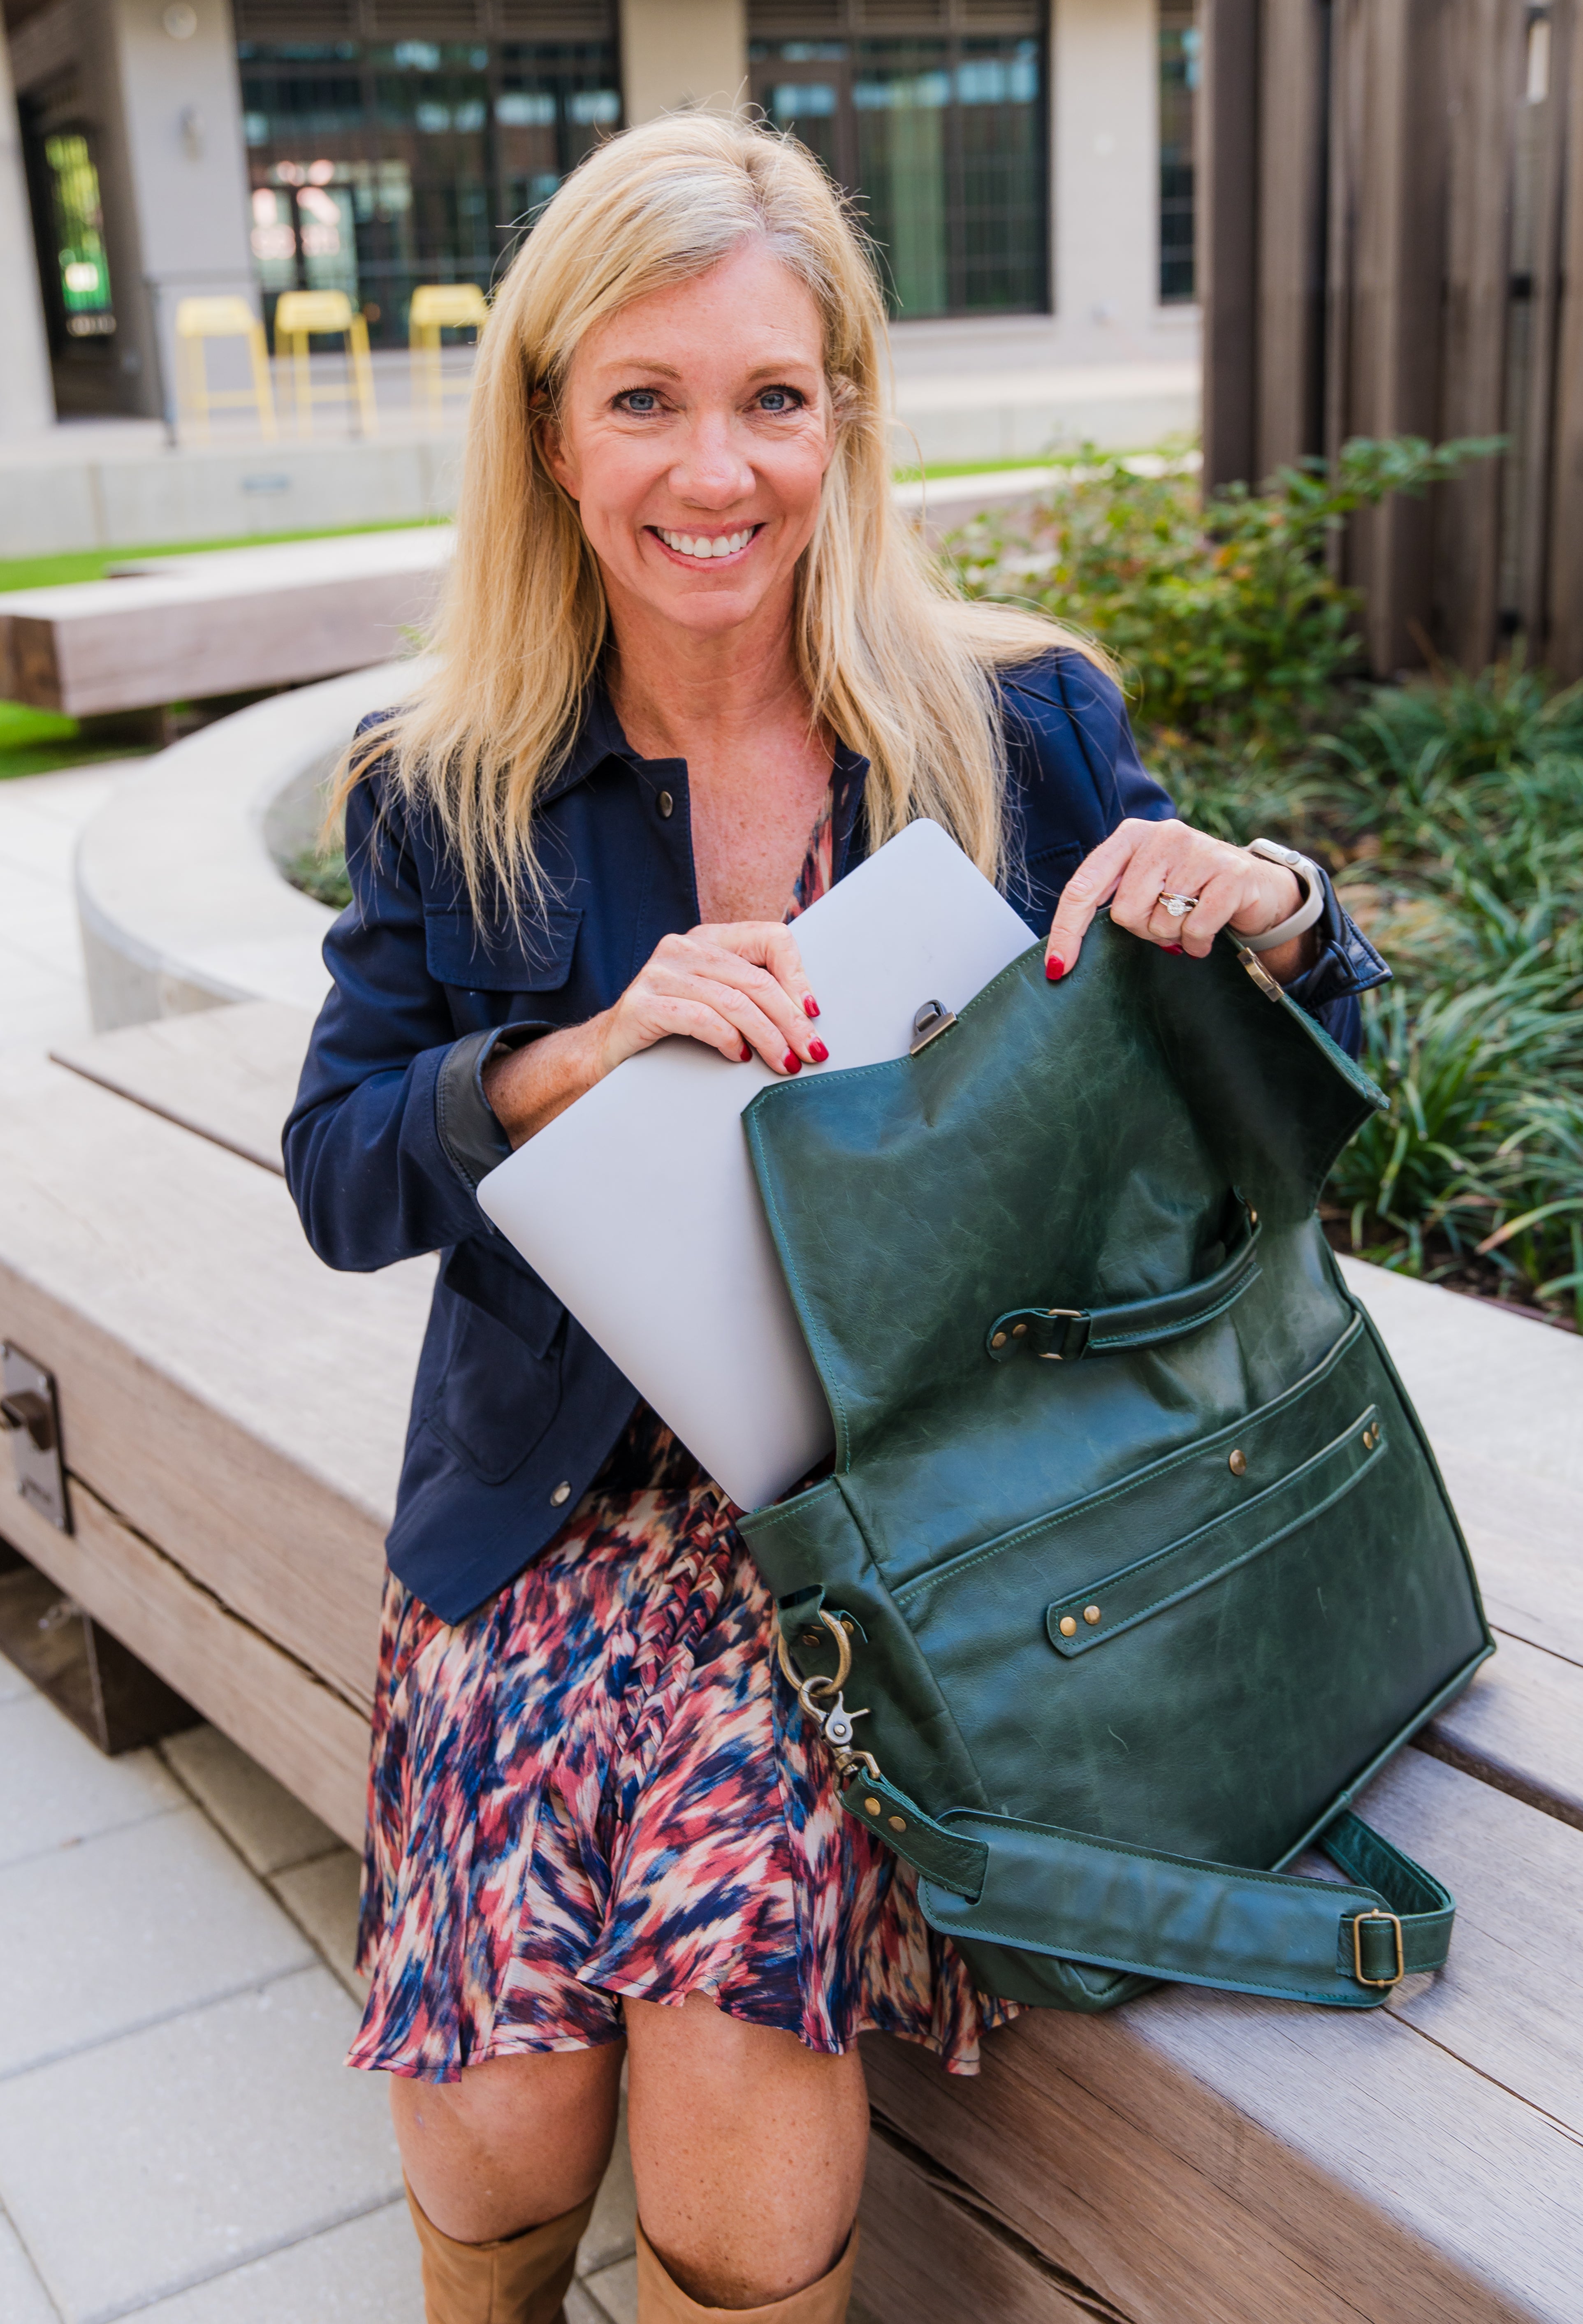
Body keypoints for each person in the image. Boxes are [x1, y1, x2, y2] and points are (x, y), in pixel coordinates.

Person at [285, 112, 1386, 2324]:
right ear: (553, 432)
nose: (721, 468)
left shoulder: (1015, 727)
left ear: (846, 412)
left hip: (911, 1527)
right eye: (648, 400)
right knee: (495, 2134)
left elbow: (1291, 1112)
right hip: (550, 1510)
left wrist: (1274, 913)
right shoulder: (451, 789)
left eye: (775, 396)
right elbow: (336, 1171)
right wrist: (558, 1064)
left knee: (729, 2140)